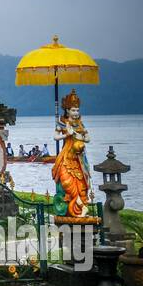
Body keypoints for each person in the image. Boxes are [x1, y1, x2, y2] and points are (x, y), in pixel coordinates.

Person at [52, 90, 93, 219]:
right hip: (66, 156)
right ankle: (79, 206)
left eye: (77, 110)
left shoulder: (80, 124)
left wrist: (76, 135)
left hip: (78, 157)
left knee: (81, 184)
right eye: (73, 110)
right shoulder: (63, 122)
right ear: (67, 110)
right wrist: (66, 134)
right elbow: (55, 137)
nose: (76, 113)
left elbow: (88, 139)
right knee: (66, 182)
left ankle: (82, 206)